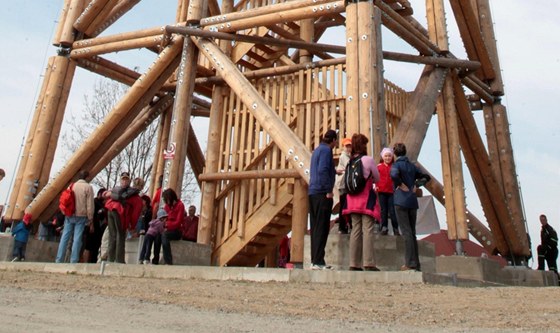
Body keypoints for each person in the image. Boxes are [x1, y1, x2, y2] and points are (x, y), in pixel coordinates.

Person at [342, 134, 380, 271]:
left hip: (351, 200)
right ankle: (369, 262)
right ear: (363, 146)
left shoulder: (350, 161)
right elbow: (377, 178)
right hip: (366, 199)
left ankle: (353, 263)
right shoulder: (368, 160)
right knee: (368, 229)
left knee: (355, 230)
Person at [390, 143, 430, 271]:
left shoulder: (396, 165)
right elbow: (426, 176)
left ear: (395, 153)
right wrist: (417, 184)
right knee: (412, 233)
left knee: (406, 232)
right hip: (412, 201)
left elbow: (394, 175)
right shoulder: (412, 166)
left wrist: (400, 184)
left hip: (401, 200)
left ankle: (409, 263)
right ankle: (416, 263)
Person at [308, 129, 338, 270]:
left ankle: (315, 259)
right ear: (333, 140)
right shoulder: (327, 151)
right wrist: (329, 190)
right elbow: (323, 170)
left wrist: (334, 171)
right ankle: (318, 260)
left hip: (313, 191)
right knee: (322, 227)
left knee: (315, 227)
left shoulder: (317, 150)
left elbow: (319, 169)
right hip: (322, 192)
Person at [55, 170, 95, 263]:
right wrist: (90, 218)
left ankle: (59, 259)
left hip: (69, 214)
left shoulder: (72, 185)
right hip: (81, 215)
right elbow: (90, 205)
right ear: (87, 177)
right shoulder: (88, 187)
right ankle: (74, 260)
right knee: (77, 238)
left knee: (65, 237)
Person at [105, 172, 143, 263]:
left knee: (112, 235)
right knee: (120, 235)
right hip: (120, 212)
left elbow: (106, 195)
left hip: (110, 209)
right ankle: (119, 260)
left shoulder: (119, 191)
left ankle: (110, 259)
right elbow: (135, 214)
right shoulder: (136, 197)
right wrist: (132, 227)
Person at [157, 188, 185, 265]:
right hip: (167, 229)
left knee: (165, 236)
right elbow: (164, 219)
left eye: (167, 199)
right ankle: (155, 259)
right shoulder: (166, 206)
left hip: (177, 231)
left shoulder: (180, 205)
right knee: (156, 236)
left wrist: (167, 224)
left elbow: (178, 222)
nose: (166, 202)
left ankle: (168, 261)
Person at [377, 147, 399, 236]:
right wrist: (376, 186)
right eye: (386, 156)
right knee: (383, 210)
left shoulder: (394, 166)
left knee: (392, 210)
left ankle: (395, 228)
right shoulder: (379, 166)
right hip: (381, 191)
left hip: (391, 191)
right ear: (383, 157)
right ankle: (384, 227)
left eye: (389, 156)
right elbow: (375, 177)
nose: (387, 158)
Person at [82, 188, 107, 263]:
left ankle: (93, 261)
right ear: (100, 194)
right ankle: (85, 262)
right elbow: (91, 213)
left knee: (95, 247)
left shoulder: (103, 204)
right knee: (88, 247)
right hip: (92, 226)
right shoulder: (94, 202)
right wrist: (91, 224)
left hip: (99, 228)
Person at [335, 138, 352, 234]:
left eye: (349, 146)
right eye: (346, 146)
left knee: (345, 205)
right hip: (342, 184)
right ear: (343, 147)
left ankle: (345, 225)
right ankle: (343, 226)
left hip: (344, 183)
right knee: (344, 205)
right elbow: (349, 166)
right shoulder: (344, 156)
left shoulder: (347, 156)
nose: (348, 148)